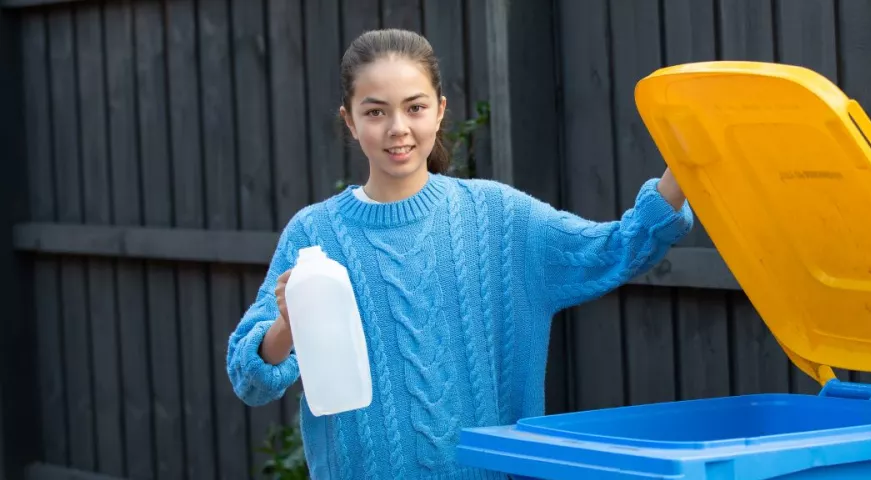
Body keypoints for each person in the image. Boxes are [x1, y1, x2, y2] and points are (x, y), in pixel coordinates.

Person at [225, 28, 693, 479]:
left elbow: (616, 248)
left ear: (440, 110)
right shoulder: (314, 233)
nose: (398, 128)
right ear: (349, 119)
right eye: (375, 112)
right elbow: (250, 379)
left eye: (415, 107)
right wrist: (288, 325)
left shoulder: (498, 217)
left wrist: (687, 160)